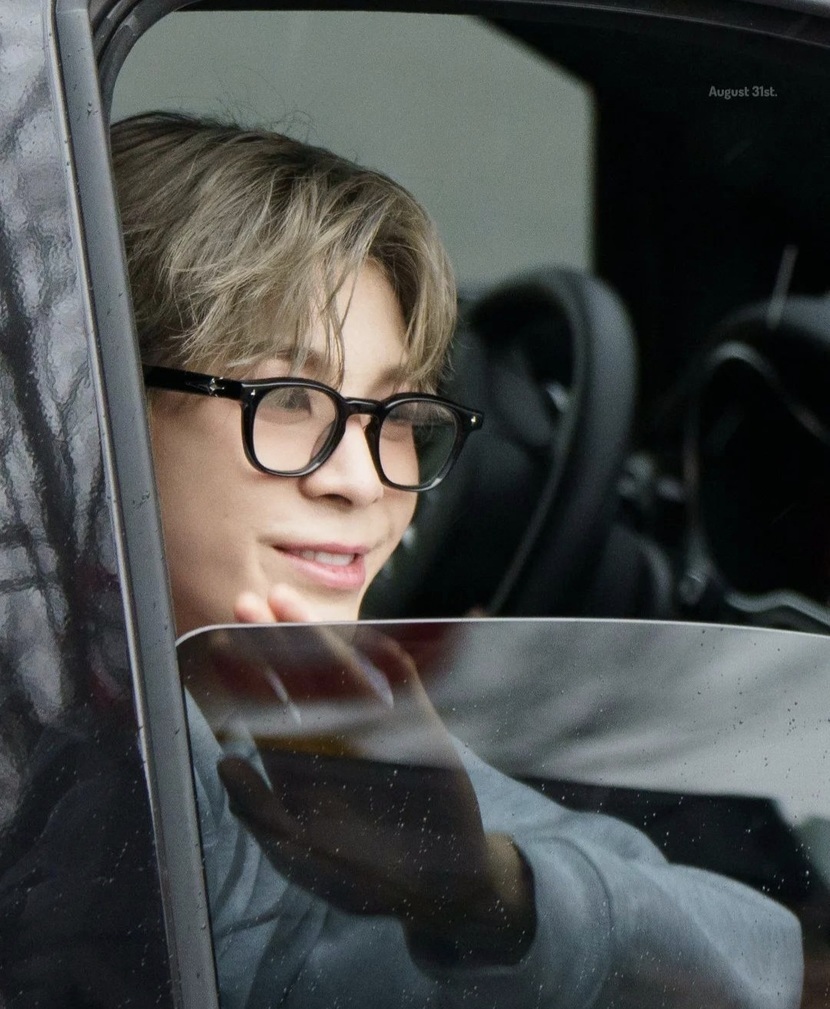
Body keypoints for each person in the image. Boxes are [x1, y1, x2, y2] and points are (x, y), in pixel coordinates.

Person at [111, 112, 803, 1008]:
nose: (364, 480)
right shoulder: (74, 755)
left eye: (398, 414)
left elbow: (755, 963)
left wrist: (482, 889)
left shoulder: (308, 730)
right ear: (102, 399)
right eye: (286, 397)